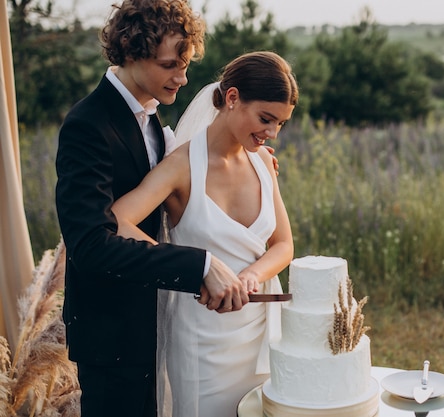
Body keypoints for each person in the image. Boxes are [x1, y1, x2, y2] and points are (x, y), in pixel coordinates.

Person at [55, 1, 251, 416]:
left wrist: (250, 158)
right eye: (169, 66)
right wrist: (198, 266)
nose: (182, 78)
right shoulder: (87, 126)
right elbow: (89, 244)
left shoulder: (150, 120)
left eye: (185, 64)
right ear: (129, 52)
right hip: (111, 334)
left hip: (158, 323)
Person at [110, 51, 298, 417]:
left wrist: (250, 275)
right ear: (232, 99)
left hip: (260, 331)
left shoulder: (262, 162)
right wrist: (193, 270)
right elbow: (118, 220)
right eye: (265, 118)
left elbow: (283, 245)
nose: (272, 133)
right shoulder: (180, 166)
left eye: (280, 124)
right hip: (203, 341)